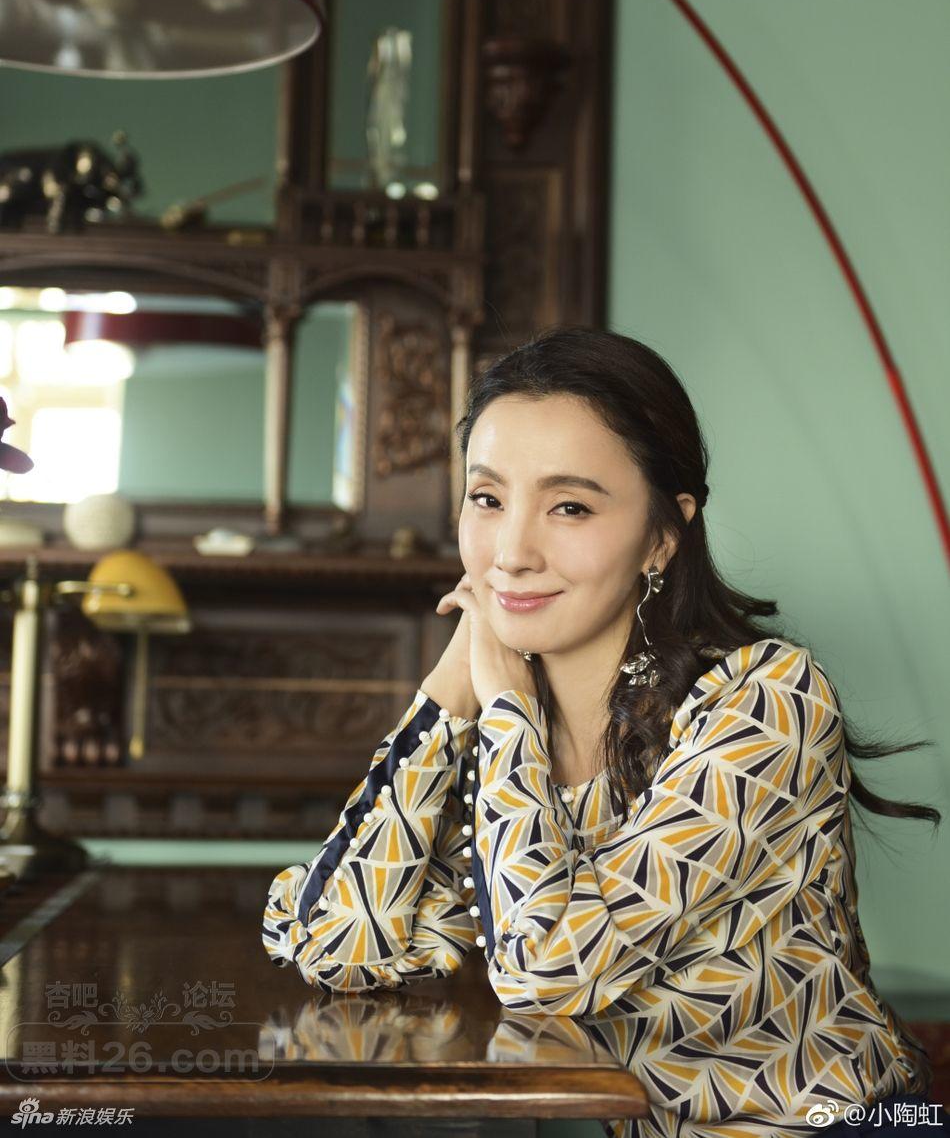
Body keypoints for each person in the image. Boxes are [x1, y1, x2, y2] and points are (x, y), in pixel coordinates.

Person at [262, 325, 939, 1137]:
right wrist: (450, 688)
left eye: (570, 506)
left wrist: (503, 702)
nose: (511, 551)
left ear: (663, 533)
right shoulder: (499, 731)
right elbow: (335, 941)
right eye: (487, 498)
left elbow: (549, 969)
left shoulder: (766, 701)